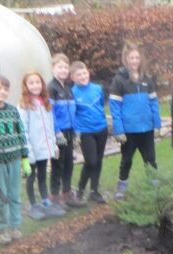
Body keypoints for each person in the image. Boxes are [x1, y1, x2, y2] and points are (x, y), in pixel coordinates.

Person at [0, 75, 30, 244]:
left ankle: (15, 225)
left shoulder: (12, 110)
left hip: (14, 158)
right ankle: (2, 230)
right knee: (0, 196)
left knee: (15, 194)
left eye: (5, 89)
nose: (2, 92)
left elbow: (20, 133)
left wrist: (25, 158)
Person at [109, 44, 162, 199]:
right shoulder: (119, 80)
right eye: (131, 57)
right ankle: (122, 187)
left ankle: (154, 186)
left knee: (150, 160)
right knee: (126, 160)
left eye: (137, 57)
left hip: (146, 129)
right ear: (126, 59)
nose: (134, 61)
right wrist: (118, 129)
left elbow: (154, 103)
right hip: (129, 130)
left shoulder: (148, 80)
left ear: (141, 59)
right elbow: (115, 107)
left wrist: (157, 124)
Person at [19, 72, 67, 221]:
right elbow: (23, 129)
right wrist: (27, 151)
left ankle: (46, 202)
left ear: (42, 85)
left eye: (38, 82)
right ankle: (33, 206)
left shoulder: (46, 103)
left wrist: (54, 147)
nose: (35, 86)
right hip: (32, 150)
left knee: (42, 175)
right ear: (26, 86)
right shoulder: (24, 106)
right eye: (31, 83)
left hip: (44, 149)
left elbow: (50, 127)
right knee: (31, 177)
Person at [48, 55, 84, 208]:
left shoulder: (68, 88)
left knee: (69, 163)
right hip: (59, 133)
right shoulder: (51, 88)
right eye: (59, 67)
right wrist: (57, 132)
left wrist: (76, 132)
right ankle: (54, 197)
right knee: (58, 164)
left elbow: (73, 111)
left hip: (70, 131)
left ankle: (67, 193)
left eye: (65, 67)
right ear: (53, 68)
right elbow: (50, 113)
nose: (63, 70)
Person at [71, 62, 108, 203]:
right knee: (90, 161)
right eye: (78, 75)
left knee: (98, 161)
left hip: (101, 129)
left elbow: (101, 104)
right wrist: (76, 133)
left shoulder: (97, 88)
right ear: (73, 78)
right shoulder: (72, 93)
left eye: (84, 73)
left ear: (88, 73)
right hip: (85, 132)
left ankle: (94, 191)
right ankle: (80, 189)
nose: (82, 76)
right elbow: (73, 113)